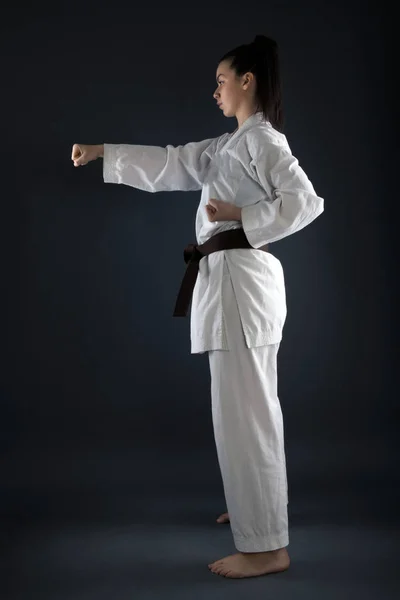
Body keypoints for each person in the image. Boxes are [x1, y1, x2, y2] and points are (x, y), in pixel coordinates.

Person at [71, 34, 324, 579]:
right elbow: (170, 164)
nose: (216, 91)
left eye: (221, 80)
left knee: (247, 414)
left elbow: (305, 202)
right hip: (231, 288)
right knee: (245, 413)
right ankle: (256, 506)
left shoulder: (264, 143)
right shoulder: (228, 146)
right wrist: (104, 154)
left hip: (241, 288)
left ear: (246, 81)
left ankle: (266, 548)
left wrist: (244, 215)